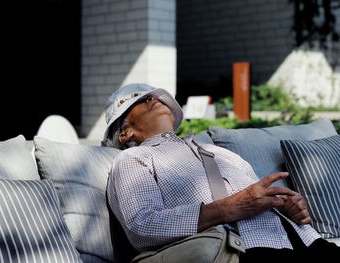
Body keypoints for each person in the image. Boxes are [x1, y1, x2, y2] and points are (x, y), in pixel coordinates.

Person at [102, 83, 339, 262]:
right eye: (138, 101)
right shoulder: (133, 159)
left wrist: (285, 205)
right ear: (125, 133)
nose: (152, 98)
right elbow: (142, 227)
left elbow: (256, 198)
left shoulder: (217, 151)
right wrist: (231, 207)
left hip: (307, 239)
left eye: (153, 96)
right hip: (242, 249)